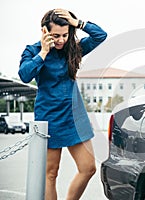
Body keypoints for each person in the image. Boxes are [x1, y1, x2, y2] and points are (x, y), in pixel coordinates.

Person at [18, 8, 107, 200]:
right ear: (45, 31)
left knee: (88, 168)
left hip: (75, 117)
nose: (61, 40)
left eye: (65, 35)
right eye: (56, 35)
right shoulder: (33, 51)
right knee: (51, 173)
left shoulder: (74, 49)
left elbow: (101, 35)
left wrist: (79, 23)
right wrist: (43, 52)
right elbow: (25, 75)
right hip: (49, 118)